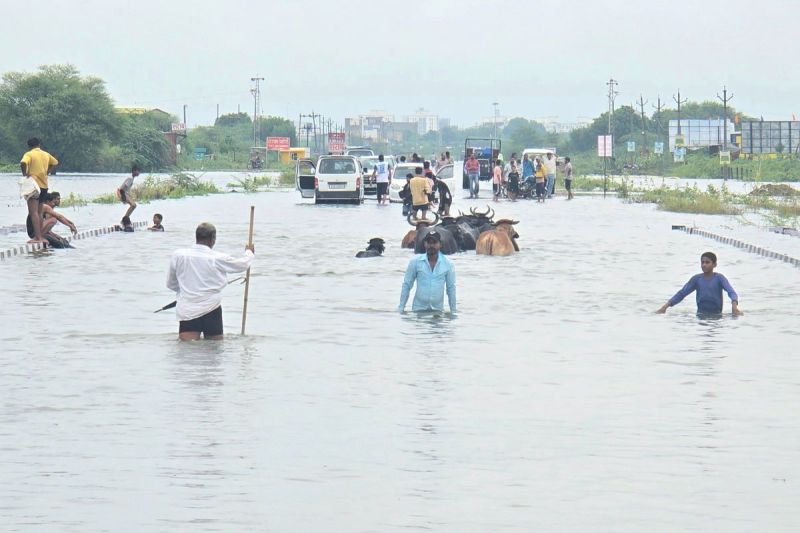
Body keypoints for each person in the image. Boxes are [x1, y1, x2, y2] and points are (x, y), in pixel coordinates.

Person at [167, 222, 255, 340]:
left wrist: (187, 290)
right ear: (213, 239)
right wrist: (249, 252)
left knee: (187, 351)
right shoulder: (217, 257)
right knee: (214, 350)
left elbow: (171, 283)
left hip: (187, 309)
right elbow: (242, 264)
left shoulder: (178, 255)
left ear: (197, 237)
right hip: (211, 308)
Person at [657, 252, 743, 315]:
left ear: (714, 264)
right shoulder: (697, 279)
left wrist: (734, 306)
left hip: (717, 317)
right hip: (700, 316)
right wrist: (664, 307)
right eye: (702, 262)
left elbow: (731, 292)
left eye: (707, 262)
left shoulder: (719, 278)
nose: (704, 265)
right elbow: (682, 293)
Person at [398, 230, 456, 313]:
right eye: (428, 242)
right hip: (418, 311)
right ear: (425, 244)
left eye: (434, 242)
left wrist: (453, 311)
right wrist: (401, 308)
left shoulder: (448, 264)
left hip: (437, 312)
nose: (431, 245)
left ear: (440, 244)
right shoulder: (415, 262)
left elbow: (451, 289)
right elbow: (407, 285)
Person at [20, 137, 59, 244]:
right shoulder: (46, 154)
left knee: (33, 213)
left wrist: (25, 174)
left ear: (29, 146)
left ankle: (38, 238)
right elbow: (55, 162)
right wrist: (48, 171)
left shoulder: (29, 154)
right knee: (40, 212)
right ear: (39, 144)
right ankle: (41, 236)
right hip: (44, 186)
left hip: (33, 186)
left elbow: (23, 163)